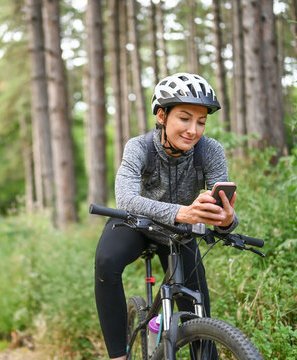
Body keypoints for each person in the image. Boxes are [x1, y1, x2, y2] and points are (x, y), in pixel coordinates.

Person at [94, 73, 238, 360]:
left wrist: (226, 221)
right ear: (162, 115)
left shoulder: (210, 151)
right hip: (135, 223)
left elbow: (222, 213)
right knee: (106, 262)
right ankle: (118, 356)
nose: (193, 130)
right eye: (185, 118)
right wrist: (180, 211)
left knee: (198, 312)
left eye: (200, 122)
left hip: (181, 231)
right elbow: (126, 199)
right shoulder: (139, 147)